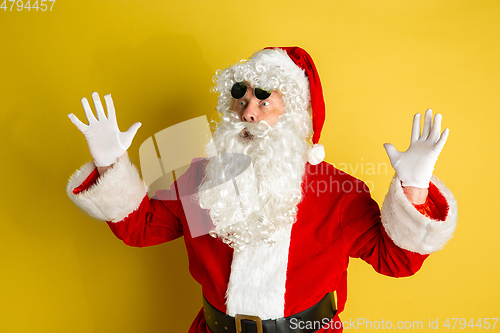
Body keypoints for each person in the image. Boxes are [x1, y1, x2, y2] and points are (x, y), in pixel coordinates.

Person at [67, 47, 457, 333]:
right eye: (242, 96)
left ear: (297, 113)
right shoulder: (204, 182)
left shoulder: (337, 192)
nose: (248, 113)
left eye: (265, 99)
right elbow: (141, 228)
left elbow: (397, 261)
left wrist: (415, 186)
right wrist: (109, 161)